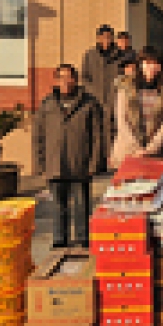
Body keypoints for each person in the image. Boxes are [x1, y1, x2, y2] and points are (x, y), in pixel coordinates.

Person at [33, 64, 103, 249]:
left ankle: (83, 237)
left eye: (69, 77)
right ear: (56, 81)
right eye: (61, 77)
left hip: (80, 163)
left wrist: (94, 163)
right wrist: (40, 164)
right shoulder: (47, 104)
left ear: (76, 80)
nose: (66, 82)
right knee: (58, 204)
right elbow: (38, 136)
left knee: (82, 204)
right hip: (55, 163)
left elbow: (97, 136)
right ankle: (60, 239)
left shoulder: (89, 103)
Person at [109, 49, 163, 170]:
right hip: (127, 150)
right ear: (140, 64)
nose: (152, 67)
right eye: (147, 63)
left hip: (154, 153)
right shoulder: (126, 86)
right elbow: (121, 120)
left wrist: (150, 148)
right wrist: (136, 148)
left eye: (156, 63)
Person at [80, 25, 120, 168]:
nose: (106, 40)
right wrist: (95, 94)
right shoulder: (90, 55)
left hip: (114, 101)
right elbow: (85, 78)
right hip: (95, 101)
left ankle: (112, 163)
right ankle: (96, 164)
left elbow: (125, 78)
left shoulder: (120, 56)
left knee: (112, 132)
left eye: (109, 37)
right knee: (95, 133)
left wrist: (116, 94)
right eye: (103, 37)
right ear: (98, 38)